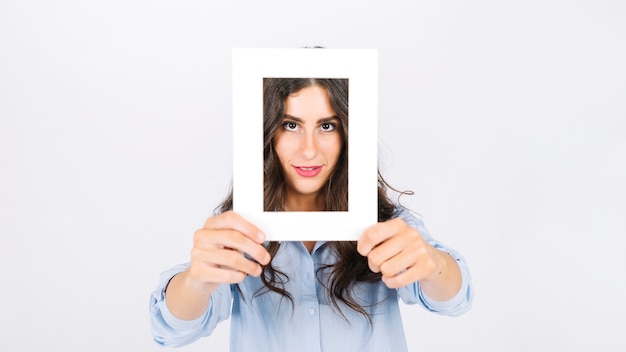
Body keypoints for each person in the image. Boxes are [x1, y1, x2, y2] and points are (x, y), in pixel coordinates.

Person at [149, 78, 473, 351]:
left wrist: (432, 264)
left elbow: (454, 299)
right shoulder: (239, 230)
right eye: (291, 125)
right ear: (268, 135)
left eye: (327, 126)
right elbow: (171, 329)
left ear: (347, 134)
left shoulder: (385, 222)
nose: (309, 150)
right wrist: (196, 280)